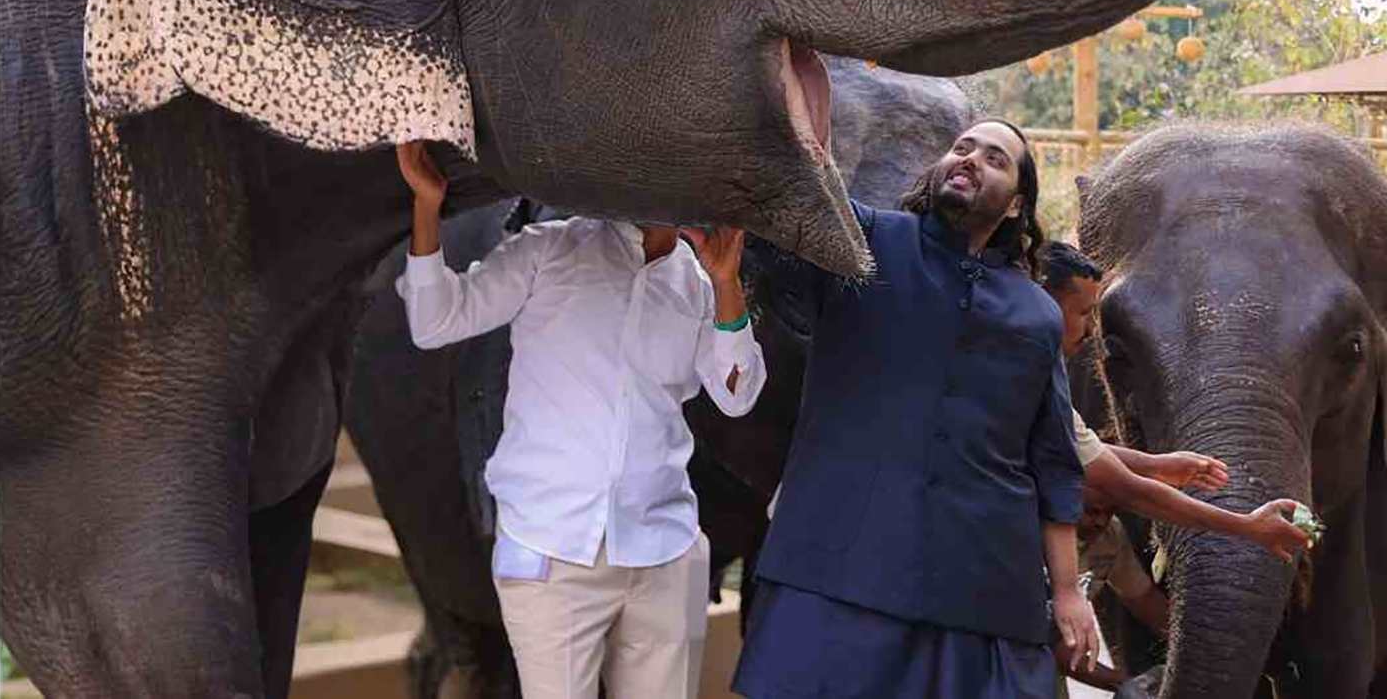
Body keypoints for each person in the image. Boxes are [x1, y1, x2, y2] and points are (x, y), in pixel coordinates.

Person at [733, 120, 1098, 699]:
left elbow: (1052, 461)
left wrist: (1068, 590)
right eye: (962, 148)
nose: (971, 158)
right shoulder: (861, 242)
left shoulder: (1037, 315)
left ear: (1016, 206)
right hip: (839, 570)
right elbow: (773, 212)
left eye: (995, 158)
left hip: (981, 589)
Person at [393, 141, 765, 699]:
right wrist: (427, 206)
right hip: (552, 549)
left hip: (664, 555)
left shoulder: (698, 283)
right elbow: (434, 321)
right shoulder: (550, 249)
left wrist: (726, 282)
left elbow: (738, 393)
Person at [1040, 241, 1311, 694]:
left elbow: (1088, 453)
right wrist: (1246, 527)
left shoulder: (1042, 388)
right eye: (1083, 313)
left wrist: (1158, 464)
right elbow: (1130, 490)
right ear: (1044, 308)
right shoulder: (1030, 387)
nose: (1089, 331)